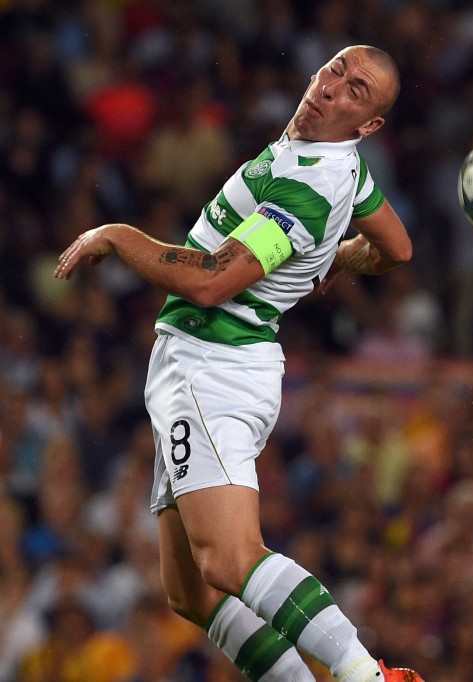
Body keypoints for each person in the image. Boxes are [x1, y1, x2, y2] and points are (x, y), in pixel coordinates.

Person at [54, 45, 423, 682]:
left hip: (211, 365)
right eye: (336, 69)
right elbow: (396, 247)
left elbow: (209, 281)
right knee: (192, 593)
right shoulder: (338, 162)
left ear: (369, 125)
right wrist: (335, 258)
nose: (332, 86)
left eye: (356, 90)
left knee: (229, 560)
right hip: (203, 365)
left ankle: (367, 675)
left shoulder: (307, 187)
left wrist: (117, 236)